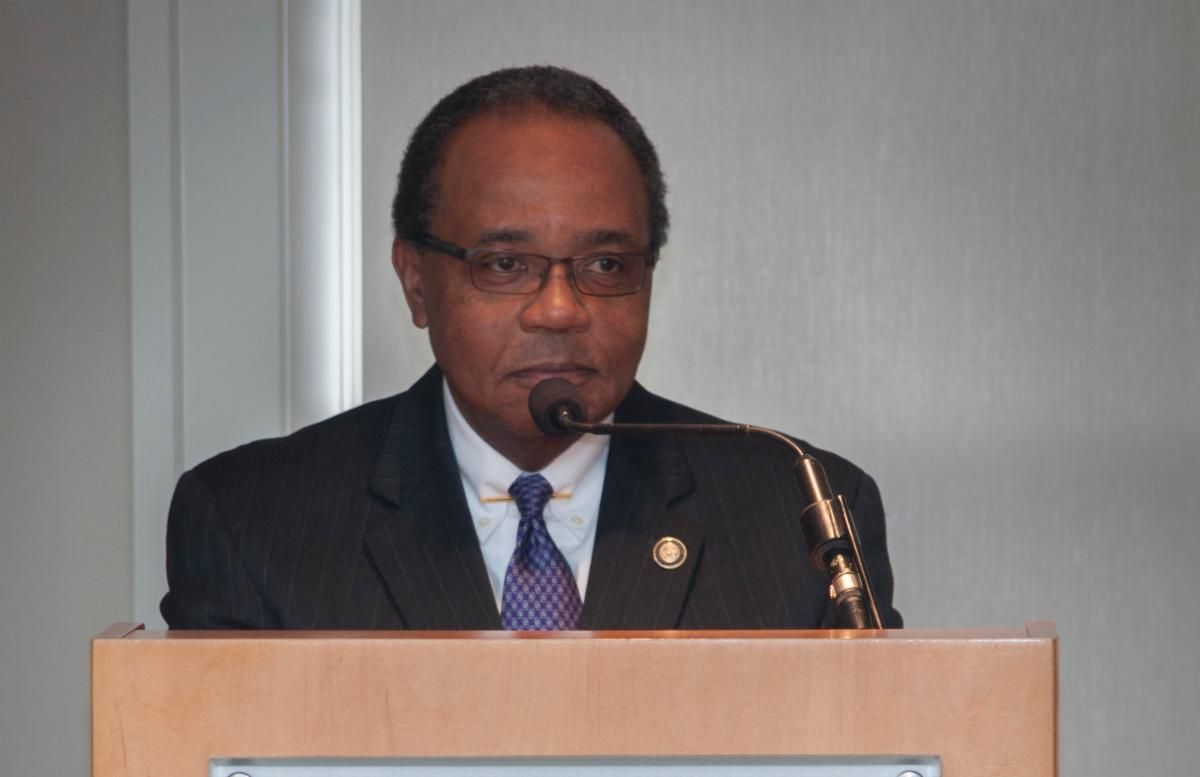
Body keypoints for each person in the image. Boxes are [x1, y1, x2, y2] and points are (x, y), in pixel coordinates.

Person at [161, 66, 900, 631]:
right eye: (506, 264)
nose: (559, 309)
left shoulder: (799, 513)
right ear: (416, 282)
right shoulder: (255, 522)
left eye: (605, 265)